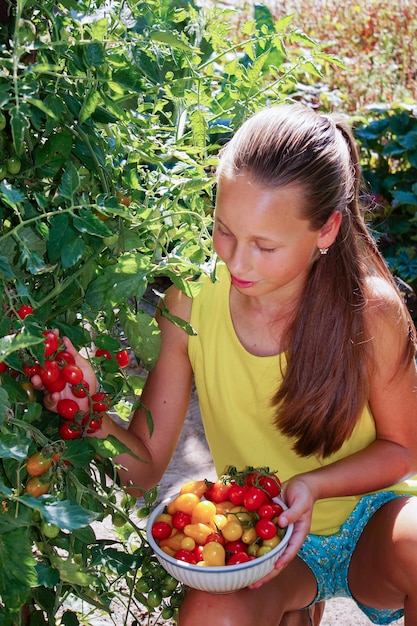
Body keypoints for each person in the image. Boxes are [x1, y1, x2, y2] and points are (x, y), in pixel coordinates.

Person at [37, 104, 417, 625]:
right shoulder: (190, 303)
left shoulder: (370, 311)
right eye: (224, 231)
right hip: (265, 535)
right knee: (209, 616)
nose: (237, 262)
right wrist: (91, 417)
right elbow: (143, 468)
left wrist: (311, 486)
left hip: (373, 522)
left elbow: (403, 450)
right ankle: (296, 607)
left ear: (326, 230)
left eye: (265, 246)